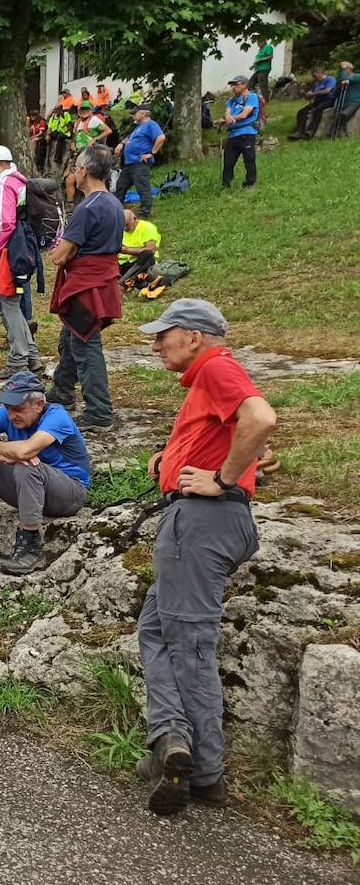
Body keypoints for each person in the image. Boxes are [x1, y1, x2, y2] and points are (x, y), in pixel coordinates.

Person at [133, 298, 276, 816]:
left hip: (200, 524)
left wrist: (222, 479)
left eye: (162, 334)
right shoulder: (208, 379)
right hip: (200, 520)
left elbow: (261, 419)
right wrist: (170, 461)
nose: (154, 345)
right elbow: (246, 437)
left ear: (194, 336)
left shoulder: (216, 367)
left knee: (190, 642)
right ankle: (172, 738)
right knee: (155, 629)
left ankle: (206, 773)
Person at [0, 370, 90, 576]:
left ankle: (31, 542)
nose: (11, 415)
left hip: (69, 493)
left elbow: (25, 451)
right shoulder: (6, 413)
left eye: (18, 409)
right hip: (30, 489)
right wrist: (4, 455)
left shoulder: (57, 416)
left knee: (27, 465)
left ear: (39, 405)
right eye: (8, 408)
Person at [48, 145, 123, 431]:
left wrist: (56, 250)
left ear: (86, 171)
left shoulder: (87, 207)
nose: (74, 171)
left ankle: (99, 412)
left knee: (86, 346)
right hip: (100, 282)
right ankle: (62, 390)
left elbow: (61, 255)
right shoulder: (113, 203)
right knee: (71, 338)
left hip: (85, 286)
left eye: (77, 166)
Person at [0, 146, 39, 378]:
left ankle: (18, 359)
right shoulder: (21, 181)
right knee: (10, 302)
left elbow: (6, 223)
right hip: (23, 248)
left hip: (7, 251)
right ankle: (31, 356)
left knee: (7, 303)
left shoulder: (6, 183)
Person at [114, 103, 166, 218]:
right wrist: (121, 144)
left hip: (140, 163)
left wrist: (152, 153)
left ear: (143, 114)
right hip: (129, 163)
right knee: (121, 185)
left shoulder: (151, 125)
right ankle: (115, 209)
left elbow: (161, 137)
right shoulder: (138, 127)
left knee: (142, 188)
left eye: (135, 113)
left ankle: (145, 213)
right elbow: (129, 138)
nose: (133, 115)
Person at [220, 75, 261, 190]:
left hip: (247, 133)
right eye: (232, 85)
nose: (233, 87)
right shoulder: (231, 101)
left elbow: (245, 114)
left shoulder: (251, 97)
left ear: (245, 85)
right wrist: (227, 117)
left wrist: (232, 118)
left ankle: (250, 183)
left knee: (249, 159)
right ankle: (226, 185)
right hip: (233, 134)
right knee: (228, 162)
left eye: (236, 84)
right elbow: (227, 113)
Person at [289, 65, 336, 140]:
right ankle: (299, 131)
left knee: (318, 110)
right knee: (302, 111)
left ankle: (311, 131)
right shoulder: (316, 83)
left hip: (329, 100)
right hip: (317, 101)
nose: (314, 77)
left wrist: (314, 93)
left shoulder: (330, 79)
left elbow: (328, 90)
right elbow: (312, 94)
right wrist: (305, 94)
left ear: (320, 73)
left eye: (314, 75)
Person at [119, 209, 161, 286]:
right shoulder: (118, 229)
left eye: (127, 225)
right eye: (122, 225)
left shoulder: (147, 227)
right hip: (122, 263)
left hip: (140, 263)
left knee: (148, 254)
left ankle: (122, 281)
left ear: (135, 219)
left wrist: (127, 250)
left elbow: (151, 249)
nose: (124, 228)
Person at [327, 60, 359, 136]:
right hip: (343, 101)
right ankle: (333, 132)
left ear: (349, 69)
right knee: (336, 115)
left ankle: (338, 131)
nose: (342, 70)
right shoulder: (341, 77)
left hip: (354, 102)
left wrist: (344, 68)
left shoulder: (357, 76)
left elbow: (345, 79)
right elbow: (340, 81)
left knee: (344, 114)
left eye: (344, 69)